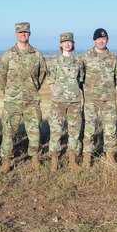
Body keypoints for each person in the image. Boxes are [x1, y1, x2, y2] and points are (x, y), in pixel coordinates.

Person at [0, 22, 47, 172]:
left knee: (34, 131)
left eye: (25, 32)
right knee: (8, 132)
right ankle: (7, 162)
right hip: (12, 101)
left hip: (31, 101)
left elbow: (42, 73)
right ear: (15, 35)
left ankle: (35, 160)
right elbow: (1, 76)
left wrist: (33, 88)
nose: (23, 35)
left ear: (29, 34)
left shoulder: (37, 54)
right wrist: (9, 91)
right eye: (20, 33)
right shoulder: (8, 54)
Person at [78, 28, 117, 166]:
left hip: (108, 101)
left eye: (104, 39)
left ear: (107, 40)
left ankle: (109, 156)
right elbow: (79, 78)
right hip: (90, 100)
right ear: (94, 40)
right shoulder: (85, 57)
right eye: (99, 39)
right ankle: (87, 157)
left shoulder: (114, 58)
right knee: (88, 129)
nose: (101, 41)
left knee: (110, 129)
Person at [46, 33, 84, 171]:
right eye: (65, 42)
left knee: (74, 131)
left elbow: (80, 80)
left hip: (74, 102)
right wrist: (56, 92)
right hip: (58, 102)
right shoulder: (54, 61)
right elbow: (50, 79)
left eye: (70, 42)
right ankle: (54, 159)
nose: (68, 44)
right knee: (56, 130)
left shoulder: (78, 62)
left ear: (73, 44)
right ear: (60, 45)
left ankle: (72, 160)